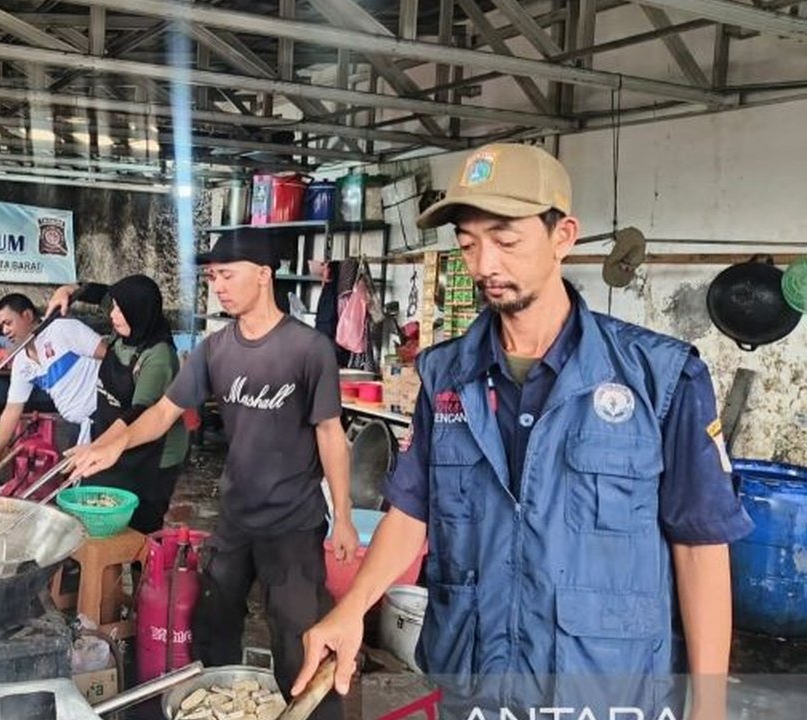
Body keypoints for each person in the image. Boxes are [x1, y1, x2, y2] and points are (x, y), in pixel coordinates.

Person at [294, 144, 753, 720]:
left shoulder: (659, 378)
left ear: (563, 235)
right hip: (475, 684)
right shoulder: (447, 375)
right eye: (468, 243)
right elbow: (412, 513)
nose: (485, 263)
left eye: (506, 239)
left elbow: (699, 548)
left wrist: (708, 708)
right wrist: (352, 607)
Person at [70, 230, 358, 720]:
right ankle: (220, 711)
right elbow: (163, 411)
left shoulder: (309, 349)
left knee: (299, 638)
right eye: (212, 278)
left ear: (264, 275)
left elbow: (330, 434)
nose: (218, 287)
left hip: (293, 522)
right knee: (212, 625)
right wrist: (113, 444)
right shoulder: (214, 348)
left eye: (227, 275)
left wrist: (345, 517)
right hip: (234, 517)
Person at [47, 275, 188, 534]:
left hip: (154, 455)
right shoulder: (122, 333)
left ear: (139, 311)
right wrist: (68, 290)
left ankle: (142, 572)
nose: (113, 315)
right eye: (114, 307)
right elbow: (101, 291)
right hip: (116, 439)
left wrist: (95, 448)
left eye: (121, 310)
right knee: (99, 519)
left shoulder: (158, 356)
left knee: (140, 529)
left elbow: (139, 412)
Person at [0, 293, 103, 468]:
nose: (5, 331)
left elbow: (109, 356)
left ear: (27, 315)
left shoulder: (62, 330)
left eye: (8, 323)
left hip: (104, 418)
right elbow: (12, 410)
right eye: (1, 326)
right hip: (77, 425)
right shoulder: (21, 361)